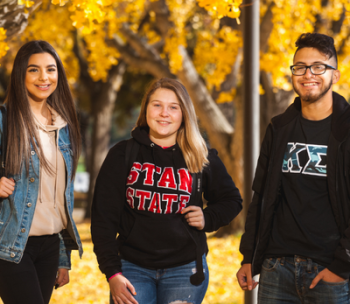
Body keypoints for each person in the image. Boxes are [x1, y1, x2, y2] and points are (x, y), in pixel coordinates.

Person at [91, 77, 243, 304]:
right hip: (132, 269)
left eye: (174, 107)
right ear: (146, 109)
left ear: (184, 114)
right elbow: (103, 218)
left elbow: (232, 200)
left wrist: (207, 218)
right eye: (157, 105)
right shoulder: (123, 154)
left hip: (185, 271)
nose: (164, 113)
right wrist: (113, 272)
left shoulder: (201, 155)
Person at [237, 32, 350, 303]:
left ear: (335, 75)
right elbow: (261, 197)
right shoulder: (279, 128)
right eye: (300, 67)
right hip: (277, 269)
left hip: (329, 270)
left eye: (318, 67)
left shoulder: (347, 130)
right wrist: (249, 256)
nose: (308, 74)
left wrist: (341, 266)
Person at [0, 40, 83, 304]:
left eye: (51, 69)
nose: (44, 77)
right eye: (34, 70)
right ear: (21, 75)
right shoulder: (5, 120)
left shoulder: (65, 125)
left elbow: (60, 198)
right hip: (11, 244)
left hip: (49, 245)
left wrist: (62, 256)